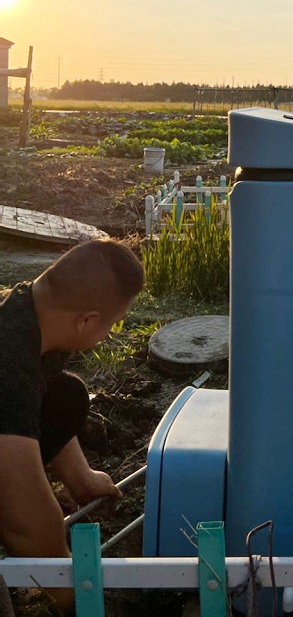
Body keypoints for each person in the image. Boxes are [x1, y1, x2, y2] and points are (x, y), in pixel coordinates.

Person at [0, 239, 144, 614]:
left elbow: (45, 404)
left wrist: (81, 476)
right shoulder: (8, 364)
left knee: (66, 393)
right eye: (110, 325)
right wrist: (69, 585)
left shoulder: (30, 312)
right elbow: (25, 516)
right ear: (86, 321)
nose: (108, 334)